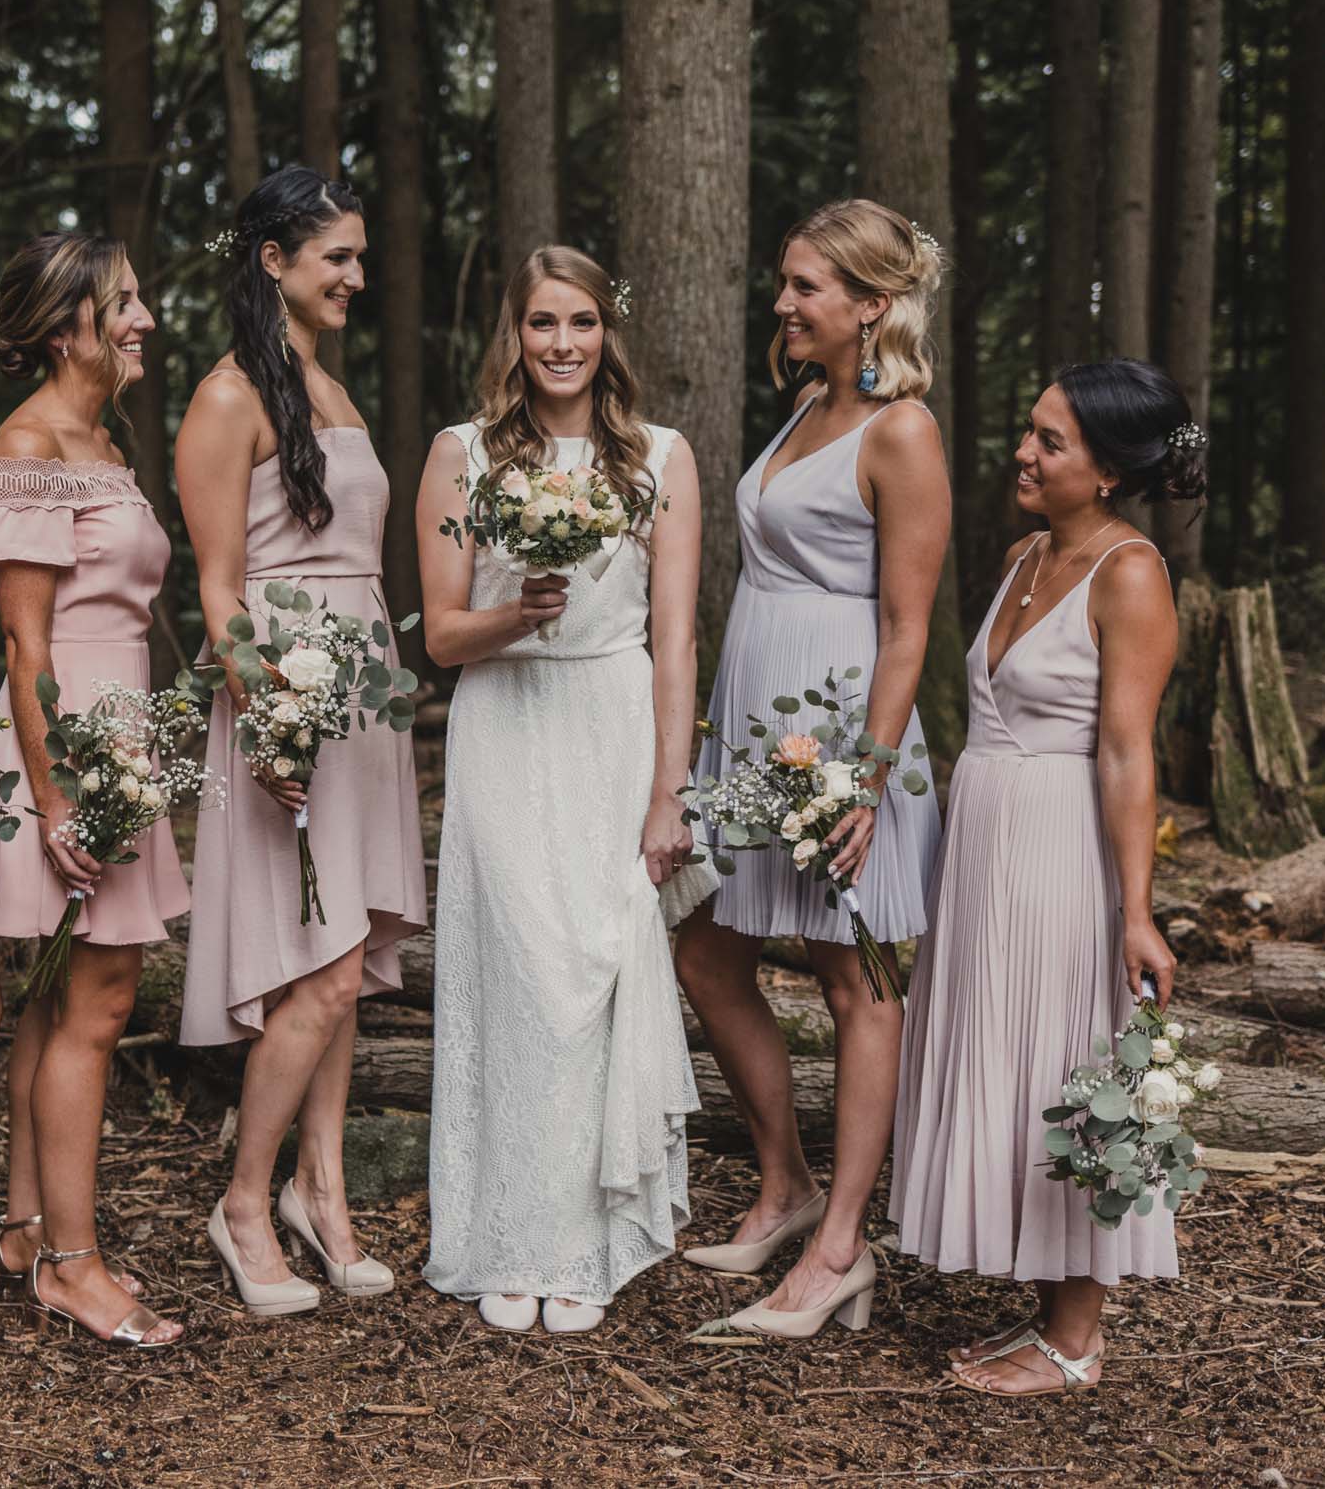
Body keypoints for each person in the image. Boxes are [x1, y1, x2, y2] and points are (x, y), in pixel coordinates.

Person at [415, 247, 711, 1335]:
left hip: (612, 723)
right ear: (515, 332)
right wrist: (520, 611)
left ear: (606, 331)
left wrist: (667, 790)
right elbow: (444, 633)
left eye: (581, 322)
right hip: (503, 720)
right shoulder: (460, 456)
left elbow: (674, 637)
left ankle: (583, 1239)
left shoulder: (658, 458)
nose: (561, 344)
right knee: (517, 972)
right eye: (542, 323)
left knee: (596, 966)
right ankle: (508, 1234)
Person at [889, 357, 1197, 1397]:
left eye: (1049, 440)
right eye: (1029, 431)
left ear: (1106, 469)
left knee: (1064, 1055)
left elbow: (1125, 751)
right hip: (981, 840)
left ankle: (1076, 1338)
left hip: (1060, 846)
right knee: (1005, 1051)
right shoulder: (1027, 553)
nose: (1023, 451)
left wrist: (1138, 909)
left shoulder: (1131, 573)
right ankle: (1039, 1305)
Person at [670, 200, 951, 1338]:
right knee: (703, 944)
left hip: (843, 726)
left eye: (805, 287)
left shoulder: (903, 432)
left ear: (870, 306)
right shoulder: (804, 408)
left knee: (856, 981)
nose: (782, 303)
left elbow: (907, 626)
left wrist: (867, 775)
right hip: (754, 717)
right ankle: (783, 1182)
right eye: (783, 282)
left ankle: (841, 1245)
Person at [176, 164, 426, 1316]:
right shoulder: (229, 398)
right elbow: (219, 586)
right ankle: (241, 1198)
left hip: (362, 691)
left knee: (351, 952)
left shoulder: (330, 389)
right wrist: (268, 710)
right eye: (337, 257)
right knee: (317, 969)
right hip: (287, 690)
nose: (355, 278)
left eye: (361, 257)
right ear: (273, 259)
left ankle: (322, 1194)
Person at [0, 231, 183, 1349]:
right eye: (125, 303)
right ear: (69, 328)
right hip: (70, 753)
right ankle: (72, 1262)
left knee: (61, 1001)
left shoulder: (102, 441)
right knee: (97, 1009)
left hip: (122, 741)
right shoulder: (29, 445)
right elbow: (25, 646)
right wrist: (57, 799)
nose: (144, 319)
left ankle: (23, 1227)